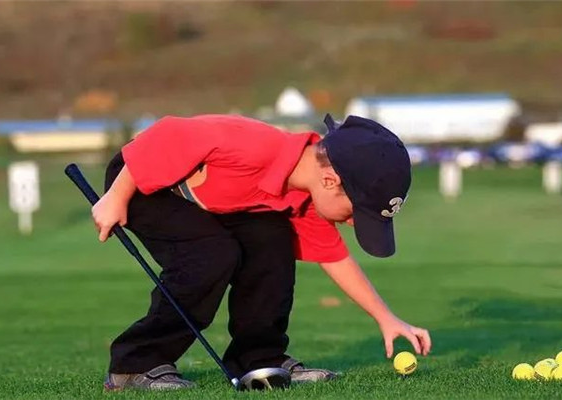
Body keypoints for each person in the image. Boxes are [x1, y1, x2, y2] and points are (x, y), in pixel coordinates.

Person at [92, 113, 432, 390]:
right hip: (141, 179)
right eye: (354, 213)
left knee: (271, 238)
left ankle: (260, 360)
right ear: (330, 181)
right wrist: (117, 197)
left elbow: (335, 258)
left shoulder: (303, 197)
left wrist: (386, 317)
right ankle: (134, 365)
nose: (349, 223)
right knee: (212, 255)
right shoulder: (256, 146)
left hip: (203, 202)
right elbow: (167, 134)